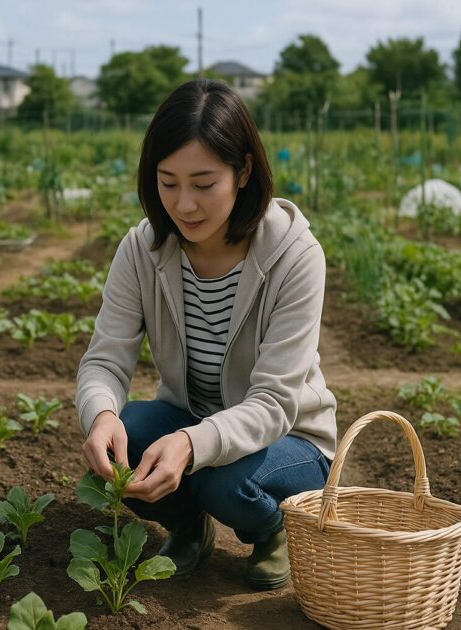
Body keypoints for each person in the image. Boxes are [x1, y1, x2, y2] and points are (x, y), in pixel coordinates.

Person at [75, 79, 337, 590]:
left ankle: (274, 530)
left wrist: (190, 444)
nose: (184, 204)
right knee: (121, 444)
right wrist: (101, 415)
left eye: (203, 183)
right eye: (167, 182)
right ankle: (188, 525)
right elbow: (105, 360)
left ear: (242, 172)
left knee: (224, 480)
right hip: (193, 418)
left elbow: (275, 402)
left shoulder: (296, 256)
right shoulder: (142, 250)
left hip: (290, 439)